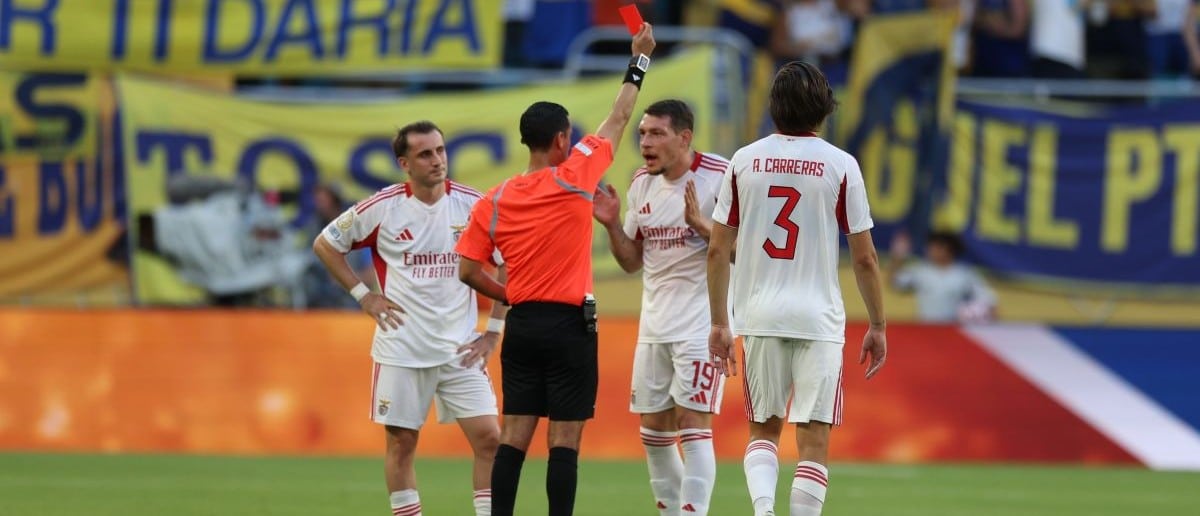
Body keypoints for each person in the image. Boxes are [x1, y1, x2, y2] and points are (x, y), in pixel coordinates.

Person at [455, 24, 657, 516]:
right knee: (564, 438)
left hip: (522, 322)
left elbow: (466, 269)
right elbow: (620, 114)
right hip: (569, 324)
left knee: (514, 435)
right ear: (563, 139)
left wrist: (507, 295)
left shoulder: (495, 200)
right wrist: (640, 60)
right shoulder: (576, 177)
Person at [706, 61, 888, 516]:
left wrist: (718, 322)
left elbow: (716, 250)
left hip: (761, 315)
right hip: (818, 319)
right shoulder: (841, 166)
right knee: (813, 437)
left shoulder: (743, 160)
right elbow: (864, 257)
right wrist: (879, 324)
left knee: (763, 430)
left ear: (773, 108)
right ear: (824, 109)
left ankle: (764, 510)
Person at [312, 121, 508, 516]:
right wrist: (364, 297)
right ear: (405, 163)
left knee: (490, 440)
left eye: (440, 150)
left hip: (460, 349)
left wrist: (493, 332)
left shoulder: (474, 205)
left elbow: (508, 263)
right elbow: (326, 244)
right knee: (401, 444)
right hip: (402, 347)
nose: (437, 160)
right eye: (425, 154)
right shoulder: (383, 207)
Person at [591, 99, 728, 516]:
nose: (645, 143)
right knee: (653, 433)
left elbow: (749, 253)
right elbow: (632, 261)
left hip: (701, 326)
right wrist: (614, 223)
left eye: (655, 134)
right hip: (654, 327)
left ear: (684, 137)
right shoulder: (641, 184)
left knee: (693, 425)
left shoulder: (721, 179)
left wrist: (703, 227)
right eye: (642, 134)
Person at [887, 230, 996, 323]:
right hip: (925, 327)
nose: (929, 250)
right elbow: (895, 283)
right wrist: (898, 257)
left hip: (953, 330)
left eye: (935, 247)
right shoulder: (920, 271)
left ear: (947, 249)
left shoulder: (964, 274)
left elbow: (989, 301)